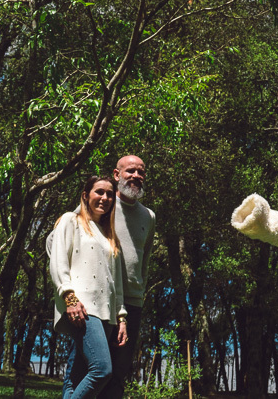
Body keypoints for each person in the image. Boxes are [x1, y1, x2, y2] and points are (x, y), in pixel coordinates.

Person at [48, 176, 127, 399]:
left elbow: (116, 282)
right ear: (85, 195)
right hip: (82, 307)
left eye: (110, 194)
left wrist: (121, 318)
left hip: (107, 314)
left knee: (76, 378)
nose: (105, 198)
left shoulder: (109, 236)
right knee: (102, 370)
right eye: (99, 192)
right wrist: (69, 297)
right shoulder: (70, 220)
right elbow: (58, 261)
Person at [105, 155, 156, 398]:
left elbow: (144, 258)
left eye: (141, 172)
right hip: (101, 300)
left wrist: (141, 290)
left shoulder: (149, 216)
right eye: (130, 171)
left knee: (119, 373)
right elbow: (66, 237)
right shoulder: (102, 203)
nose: (136, 176)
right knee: (93, 370)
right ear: (117, 175)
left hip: (133, 304)